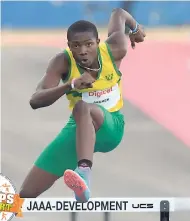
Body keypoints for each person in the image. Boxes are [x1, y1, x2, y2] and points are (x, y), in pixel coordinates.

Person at [19, 8, 145, 202]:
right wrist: (70, 85)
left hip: (110, 126)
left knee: (82, 107)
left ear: (98, 43)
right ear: (69, 46)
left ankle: (84, 172)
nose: (83, 51)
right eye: (76, 46)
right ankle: (81, 186)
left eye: (88, 44)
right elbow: (35, 100)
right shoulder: (62, 62)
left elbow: (119, 13)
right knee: (25, 194)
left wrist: (136, 29)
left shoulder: (115, 48)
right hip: (79, 130)